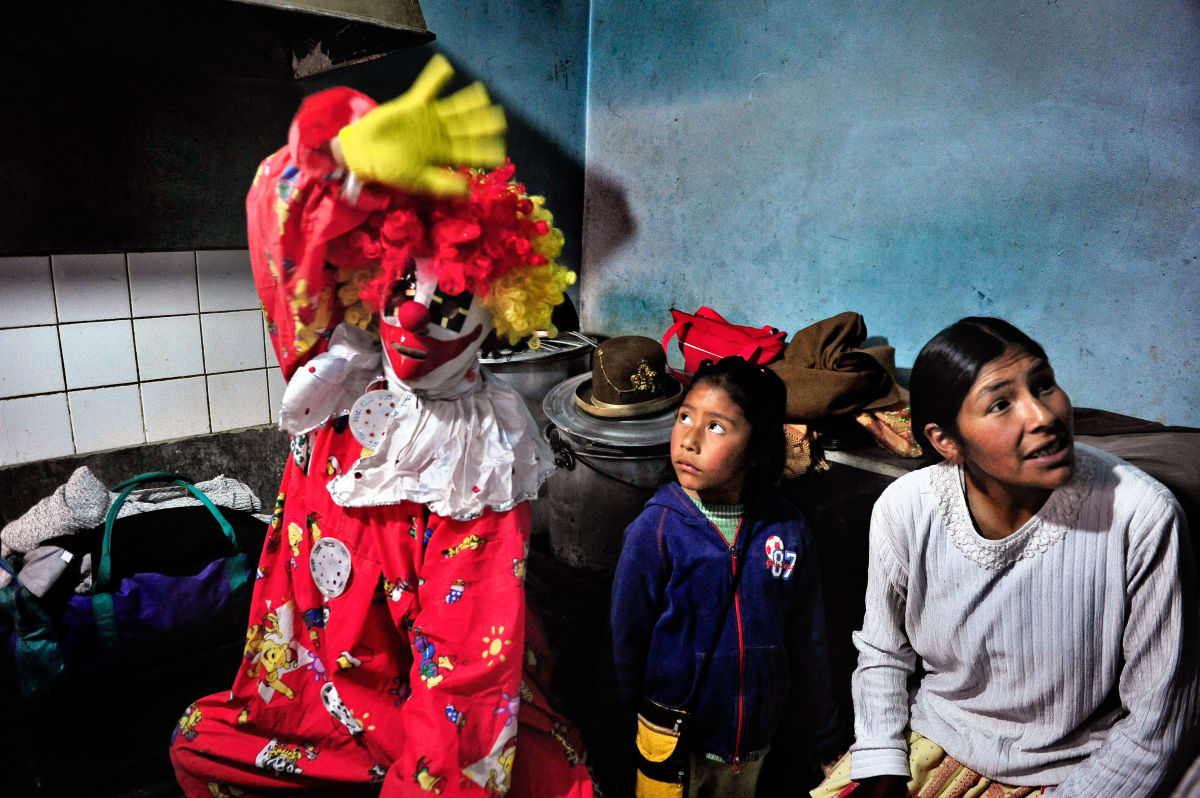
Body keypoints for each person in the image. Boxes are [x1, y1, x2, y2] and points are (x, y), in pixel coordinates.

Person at [169, 56, 593, 798]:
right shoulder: (333, 375)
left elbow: (466, 677)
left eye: (454, 302)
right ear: (374, 275)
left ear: (500, 313)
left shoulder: (480, 464)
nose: (417, 316)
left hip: (428, 725)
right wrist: (338, 156)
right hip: (311, 699)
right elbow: (280, 234)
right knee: (196, 748)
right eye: (403, 285)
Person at [813, 317, 1199, 797]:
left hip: (1080, 764)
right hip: (939, 734)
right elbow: (883, 653)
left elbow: (1156, 722)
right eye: (1001, 403)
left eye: (1044, 385)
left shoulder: (1141, 515)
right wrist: (882, 768)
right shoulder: (908, 507)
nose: (1043, 416)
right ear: (945, 442)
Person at [611, 356, 843, 798]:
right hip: (669, 740)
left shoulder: (786, 530)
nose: (689, 439)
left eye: (716, 426)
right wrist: (629, 732)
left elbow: (808, 640)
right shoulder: (655, 530)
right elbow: (627, 641)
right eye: (685, 417)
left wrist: (827, 737)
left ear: (757, 451)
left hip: (754, 746)